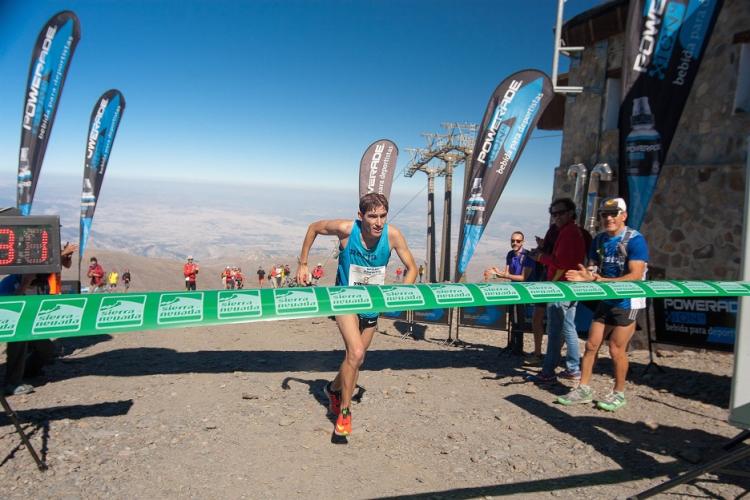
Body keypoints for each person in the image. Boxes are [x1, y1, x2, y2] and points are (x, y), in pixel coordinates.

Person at [295, 193, 417, 438]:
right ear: (361, 216)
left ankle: (332, 389)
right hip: (344, 299)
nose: (378, 222)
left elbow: (412, 268)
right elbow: (313, 228)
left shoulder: (392, 235)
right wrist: (303, 263)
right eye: (372, 216)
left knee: (356, 359)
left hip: (373, 302)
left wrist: (402, 291)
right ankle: (345, 412)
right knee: (357, 352)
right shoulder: (346, 230)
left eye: (383, 216)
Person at [557, 197, 649, 411]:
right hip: (606, 298)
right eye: (604, 214)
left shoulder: (635, 240)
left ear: (623, 216)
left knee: (616, 349)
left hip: (628, 300)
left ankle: (619, 393)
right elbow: (593, 269)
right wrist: (585, 276)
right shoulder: (599, 240)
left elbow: (635, 275)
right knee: (591, 345)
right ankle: (584, 388)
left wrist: (598, 281)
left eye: (613, 214)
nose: (608, 218)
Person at [527, 198, 587, 384]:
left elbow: (561, 262)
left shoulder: (569, 233)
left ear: (571, 213)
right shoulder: (569, 231)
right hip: (568, 286)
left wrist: (540, 257)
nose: (557, 217)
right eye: (554, 214)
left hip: (560, 286)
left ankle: (548, 370)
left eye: (561, 213)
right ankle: (572, 368)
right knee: (568, 328)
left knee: (555, 330)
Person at [487, 231, 535, 356]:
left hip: (524, 292)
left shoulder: (527, 256)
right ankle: (512, 344)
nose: (515, 243)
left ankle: (518, 347)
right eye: (513, 240)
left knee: (519, 319)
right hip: (513, 290)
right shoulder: (510, 254)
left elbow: (523, 277)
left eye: (518, 241)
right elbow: (507, 273)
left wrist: (504, 275)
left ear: (522, 242)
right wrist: (495, 273)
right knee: (513, 319)